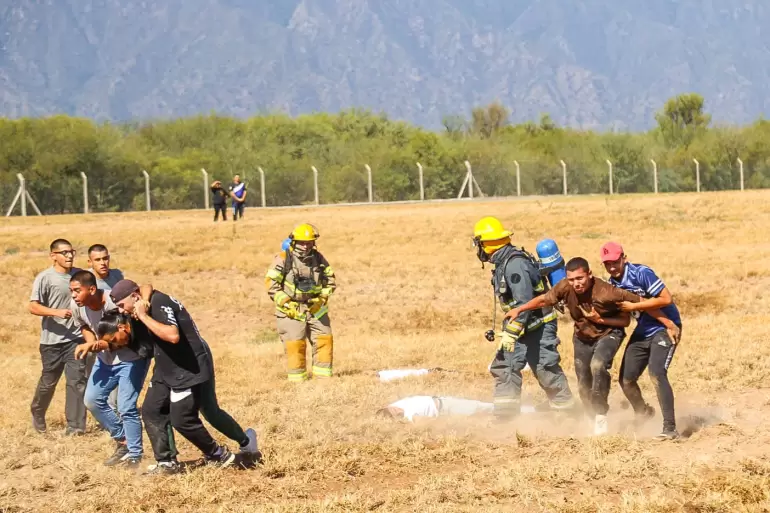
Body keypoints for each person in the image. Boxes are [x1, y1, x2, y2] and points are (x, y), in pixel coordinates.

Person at [505, 257, 678, 435]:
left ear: (589, 274)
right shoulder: (565, 287)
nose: (576, 284)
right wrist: (519, 309)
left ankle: (601, 416)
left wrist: (669, 324)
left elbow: (641, 305)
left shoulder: (607, 291)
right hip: (582, 336)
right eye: (571, 280)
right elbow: (544, 300)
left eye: (580, 278)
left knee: (598, 365)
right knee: (583, 382)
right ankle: (591, 417)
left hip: (609, 333)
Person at [109, 280, 259, 474]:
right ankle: (167, 462)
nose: (121, 311)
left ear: (134, 297)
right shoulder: (144, 299)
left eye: (122, 305)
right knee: (152, 410)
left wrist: (144, 315)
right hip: (167, 365)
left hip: (189, 365)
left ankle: (223, 452)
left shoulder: (159, 304)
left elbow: (173, 336)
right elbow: (147, 284)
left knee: (194, 415)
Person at [472, 217, 575, 420]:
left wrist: (511, 333)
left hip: (539, 325)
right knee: (505, 367)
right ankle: (505, 420)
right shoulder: (504, 262)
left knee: (545, 369)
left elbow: (524, 302)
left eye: (480, 243)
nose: (479, 249)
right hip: (519, 326)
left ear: (488, 243)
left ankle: (568, 415)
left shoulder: (514, 265)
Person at [601, 242, 683, 440]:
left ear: (624, 258)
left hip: (664, 328)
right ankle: (643, 413)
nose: (611, 267)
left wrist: (670, 325)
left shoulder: (641, 273)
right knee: (626, 380)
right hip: (643, 329)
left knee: (656, 374)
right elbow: (627, 316)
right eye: (607, 264)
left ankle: (670, 429)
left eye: (615, 262)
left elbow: (665, 299)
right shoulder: (612, 285)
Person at [69, 271, 151, 466]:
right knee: (92, 400)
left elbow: (145, 287)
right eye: (71, 291)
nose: (73, 295)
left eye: (76, 291)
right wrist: (92, 342)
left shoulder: (114, 300)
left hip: (131, 359)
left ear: (92, 289)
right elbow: (84, 326)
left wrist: (144, 302)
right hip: (105, 361)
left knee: (126, 407)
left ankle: (134, 454)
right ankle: (123, 439)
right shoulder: (76, 306)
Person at [28, 239, 87, 435]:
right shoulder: (45, 278)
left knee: (76, 381)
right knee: (49, 381)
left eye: (72, 252)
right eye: (64, 252)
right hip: (51, 341)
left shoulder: (80, 276)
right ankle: (38, 410)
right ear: (53, 256)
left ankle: (75, 426)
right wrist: (56, 312)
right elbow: (33, 306)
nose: (69, 256)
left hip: (76, 339)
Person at [265, 223, 337, 382]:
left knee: (325, 339)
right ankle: (298, 382)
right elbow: (271, 284)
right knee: (295, 344)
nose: (305, 246)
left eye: (309, 242)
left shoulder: (319, 258)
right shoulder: (283, 259)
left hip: (316, 308)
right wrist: (286, 303)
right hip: (292, 310)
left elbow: (330, 281)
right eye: (302, 242)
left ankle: (324, 379)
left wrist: (322, 299)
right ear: (294, 241)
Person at [86, 243, 124, 411]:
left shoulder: (117, 275)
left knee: (116, 378)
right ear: (89, 262)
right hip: (94, 337)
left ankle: (115, 413)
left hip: (116, 337)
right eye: (98, 259)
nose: (103, 263)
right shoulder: (86, 281)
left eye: (105, 258)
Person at [376, 396, 495, 422]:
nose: (397, 411)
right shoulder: (407, 415)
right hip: (445, 410)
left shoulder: (395, 404)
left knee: (477, 407)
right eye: (395, 414)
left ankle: (506, 409)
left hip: (444, 402)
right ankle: (507, 410)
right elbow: (421, 421)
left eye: (394, 410)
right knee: (477, 408)